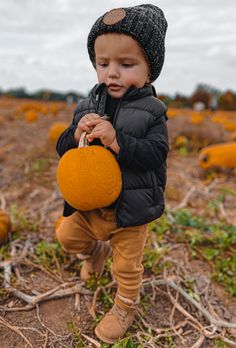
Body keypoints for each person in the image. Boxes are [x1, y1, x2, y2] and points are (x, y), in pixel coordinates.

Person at [56, 4, 168, 344]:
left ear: (150, 70)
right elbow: (63, 147)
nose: (112, 73)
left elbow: (155, 154)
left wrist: (118, 141)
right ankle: (95, 253)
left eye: (126, 64)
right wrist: (77, 133)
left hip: (130, 213)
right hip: (90, 207)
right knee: (67, 237)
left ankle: (125, 305)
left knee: (127, 269)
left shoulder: (153, 112)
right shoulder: (87, 106)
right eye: (103, 64)